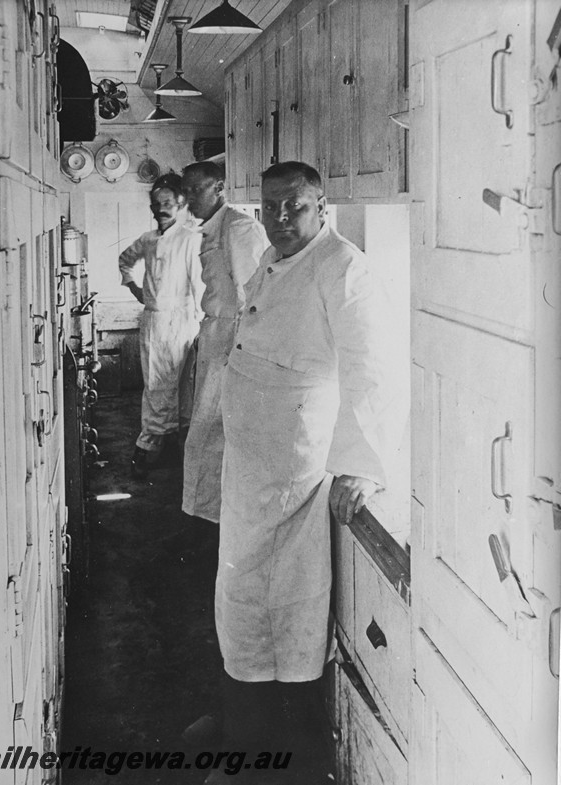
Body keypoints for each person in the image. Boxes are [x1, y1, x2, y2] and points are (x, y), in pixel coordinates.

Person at [206, 162, 408, 784]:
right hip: (251, 462)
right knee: (240, 590)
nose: (280, 218)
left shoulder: (342, 266)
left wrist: (358, 467)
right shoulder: (273, 257)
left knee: (278, 602)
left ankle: (266, 745)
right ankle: (235, 712)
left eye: (293, 206)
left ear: (321, 205)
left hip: (294, 467)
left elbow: (375, 368)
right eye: (270, 206)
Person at [180, 162, 267, 522]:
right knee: (205, 430)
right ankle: (205, 516)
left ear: (219, 187)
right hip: (216, 335)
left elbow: (254, 300)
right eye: (185, 192)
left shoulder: (239, 229)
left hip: (232, 343)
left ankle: (215, 520)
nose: (188, 200)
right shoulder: (213, 228)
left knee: (214, 432)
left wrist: (240, 357)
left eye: (195, 191)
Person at [119, 173, 204, 479]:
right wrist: (134, 288)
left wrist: (202, 327)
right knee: (156, 384)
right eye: (156, 203)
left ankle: (172, 447)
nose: (160, 209)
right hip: (154, 320)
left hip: (183, 320)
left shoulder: (191, 239)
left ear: (182, 203)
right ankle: (150, 446)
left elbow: (200, 287)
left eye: (167, 202)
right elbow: (125, 260)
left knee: (181, 386)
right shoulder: (148, 239)